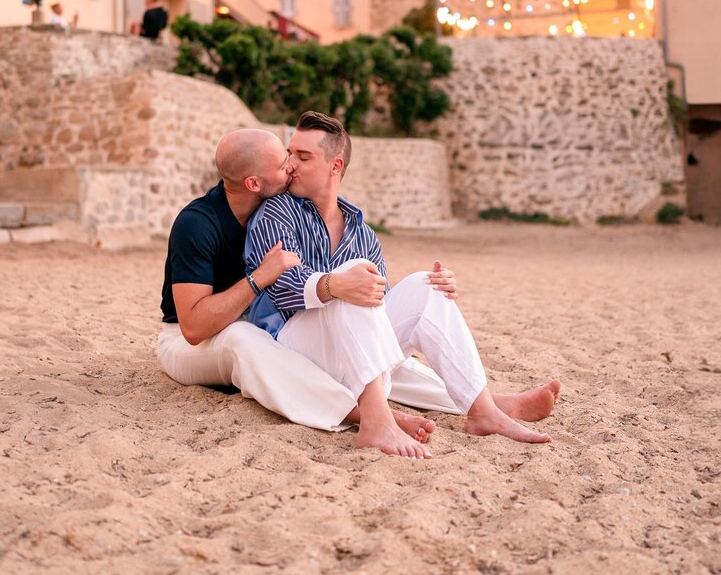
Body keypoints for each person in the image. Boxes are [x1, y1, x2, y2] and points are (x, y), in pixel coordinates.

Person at [245, 111, 561, 459]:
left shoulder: (362, 232)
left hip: (351, 350)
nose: (290, 164)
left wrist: (435, 293)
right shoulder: (277, 212)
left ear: (335, 166)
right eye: (290, 153)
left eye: (302, 156)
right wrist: (337, 285)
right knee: (359, 276)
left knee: (424, 284)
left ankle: (484, 411)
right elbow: (280, 287)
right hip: (295, 347)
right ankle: (377, 423)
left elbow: (380, 313)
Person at [157, 128, 387, 432]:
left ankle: (442, 400)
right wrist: (258, 278)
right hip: (187, 345)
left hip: (254, 330)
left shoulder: (276, 215)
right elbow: (193, 328)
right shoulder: (197, 225)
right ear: (253, 183)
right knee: (243, 339)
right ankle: (360, 415)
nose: (291, 165)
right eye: (282, 164)